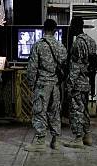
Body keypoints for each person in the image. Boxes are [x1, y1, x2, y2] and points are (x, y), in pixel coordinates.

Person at [25, 19, 67, 152]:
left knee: (39, 111)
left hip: (42, 84)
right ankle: (56, 141)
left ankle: (40, 141)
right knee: (54, 112)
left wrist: (31, 84)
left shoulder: (38, 45)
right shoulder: (60, 46)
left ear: (44, 29)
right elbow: (65, 65)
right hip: (55, 85)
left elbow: (32, 68)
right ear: (54, 30)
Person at [63, 16, 97, 148]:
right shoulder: (91, 41)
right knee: (84, 111)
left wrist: (69, 85)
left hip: (77, 83)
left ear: (74, 26)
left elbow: (75, 67)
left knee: (76, 110)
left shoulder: (78, 43)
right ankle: (87, 135)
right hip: (86, 82)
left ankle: (78, 138)